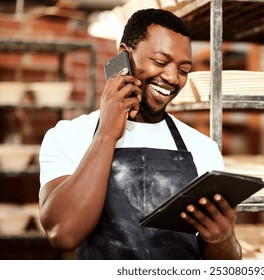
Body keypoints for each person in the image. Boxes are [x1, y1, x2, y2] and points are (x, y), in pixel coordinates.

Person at [38, 8, 242, 260]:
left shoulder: (202, 147)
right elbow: (63, 234)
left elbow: (225, 267)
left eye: (183, 70)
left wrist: (223, 240)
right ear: (125, 55)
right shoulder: (70, 136)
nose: (171, 77)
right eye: (159, 61)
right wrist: (106, 135)